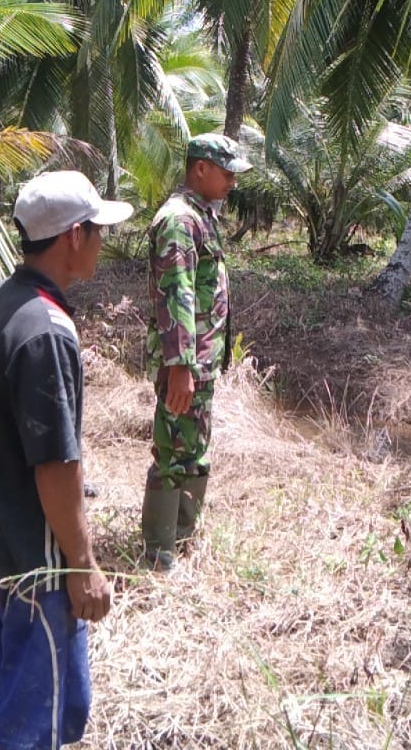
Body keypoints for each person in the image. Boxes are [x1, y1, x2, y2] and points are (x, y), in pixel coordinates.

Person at [0, 170, 133, 750]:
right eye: (98, 230)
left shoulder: (3, 301)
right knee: (41, 713)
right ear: (74, 237)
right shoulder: (48, 331)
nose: (103, 242)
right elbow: (55, 464)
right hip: (37, 562)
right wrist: (82, 565)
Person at [140, 132, 252, 571]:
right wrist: (180, 366)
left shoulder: (201, 215)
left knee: (194, 446)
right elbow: (176, 296)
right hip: (185, 364)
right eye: (226, 173)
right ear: (200, 168)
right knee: (172, 451)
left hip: (201, 361)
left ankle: (184, 536)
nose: (232, 183)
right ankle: (159, 550)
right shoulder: (179, 220)